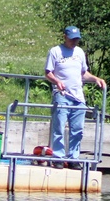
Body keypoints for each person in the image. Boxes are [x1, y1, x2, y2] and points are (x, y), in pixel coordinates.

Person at [44, 26, 106, 169]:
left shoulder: (79, 52)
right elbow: (48, 73)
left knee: (77, 129)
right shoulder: (55, 51)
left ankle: (73, 157)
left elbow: (83, 73)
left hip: (78, 97)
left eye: (76, 39)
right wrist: (57, 81)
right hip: (62, 95)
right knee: (59, 126)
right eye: (72, 39)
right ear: (65, 37)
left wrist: (95, 78)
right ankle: (58, 157)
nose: (74, 42)